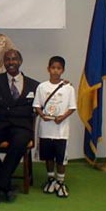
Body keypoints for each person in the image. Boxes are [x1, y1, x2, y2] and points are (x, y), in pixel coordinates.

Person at [0, 49, 39, 205]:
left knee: (19, 143)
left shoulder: (34, 85)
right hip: (0, 124)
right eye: (8, 59)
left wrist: (64, 86)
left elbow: (49, 98)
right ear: (4, 62)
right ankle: (6, 184)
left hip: (22, 127)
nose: (11, 62)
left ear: (20, 61)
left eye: (14, 59)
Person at [33, 56, 76, 198]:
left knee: (61, 158)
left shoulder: (68, 88)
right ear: (48, 69)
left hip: (61, 130)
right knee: (48, 157)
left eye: (59, 68)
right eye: (53, 68)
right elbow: (37, 105)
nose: (55, 71)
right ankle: (51, 179)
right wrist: (42, 115)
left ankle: (61, 181)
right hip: (46, 129)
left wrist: (62, 117)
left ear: (63, 70)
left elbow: (72, 107)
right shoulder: (42, 87)